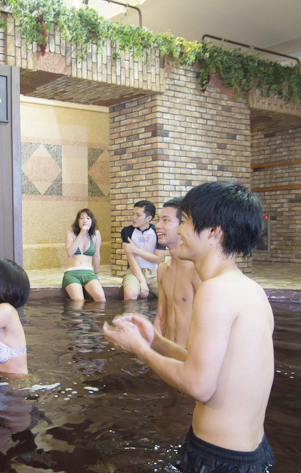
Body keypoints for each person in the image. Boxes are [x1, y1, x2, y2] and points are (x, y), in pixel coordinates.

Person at [104, 181, 275, 472]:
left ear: (213, 232)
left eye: (184, 221)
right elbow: (214, 368)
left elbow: (199, 385)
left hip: (220, 457)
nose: (177, 231)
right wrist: (154, 341)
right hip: (251, 452)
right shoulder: (250, 289)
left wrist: (138, 350)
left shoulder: (216, 291)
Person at [154, 198, 201, 347]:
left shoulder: (196, 271)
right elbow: (161, 318)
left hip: (189, 357)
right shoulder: (162, 269)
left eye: (166, 220)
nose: (157, 225)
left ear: (183, 226)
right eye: (158, 220)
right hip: (168, 353)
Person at [120, 200, 166, 300]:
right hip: (134, 271)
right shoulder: (126, 231)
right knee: (130, 293)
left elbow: (158, 259)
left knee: (169, 294)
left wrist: (135, 250)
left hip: (154, 272)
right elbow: (131, 258)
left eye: (138, 215)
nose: (133, 218)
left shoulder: (157, 232)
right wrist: (142, 281)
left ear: (148, 218)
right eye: (133, 214)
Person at [62, 208, 106, 302]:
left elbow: (97, 255)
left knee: (101, 299)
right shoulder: (71, 233)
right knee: (79, 302)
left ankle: (90, 316)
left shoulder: (96, 234)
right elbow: (70, 252)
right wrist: (82, 233)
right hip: (72, 273)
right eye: (82, 218)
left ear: (92, 221)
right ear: (78, 221)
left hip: (89, 273)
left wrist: (96, 274)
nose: (85, 220)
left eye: (88, 218)